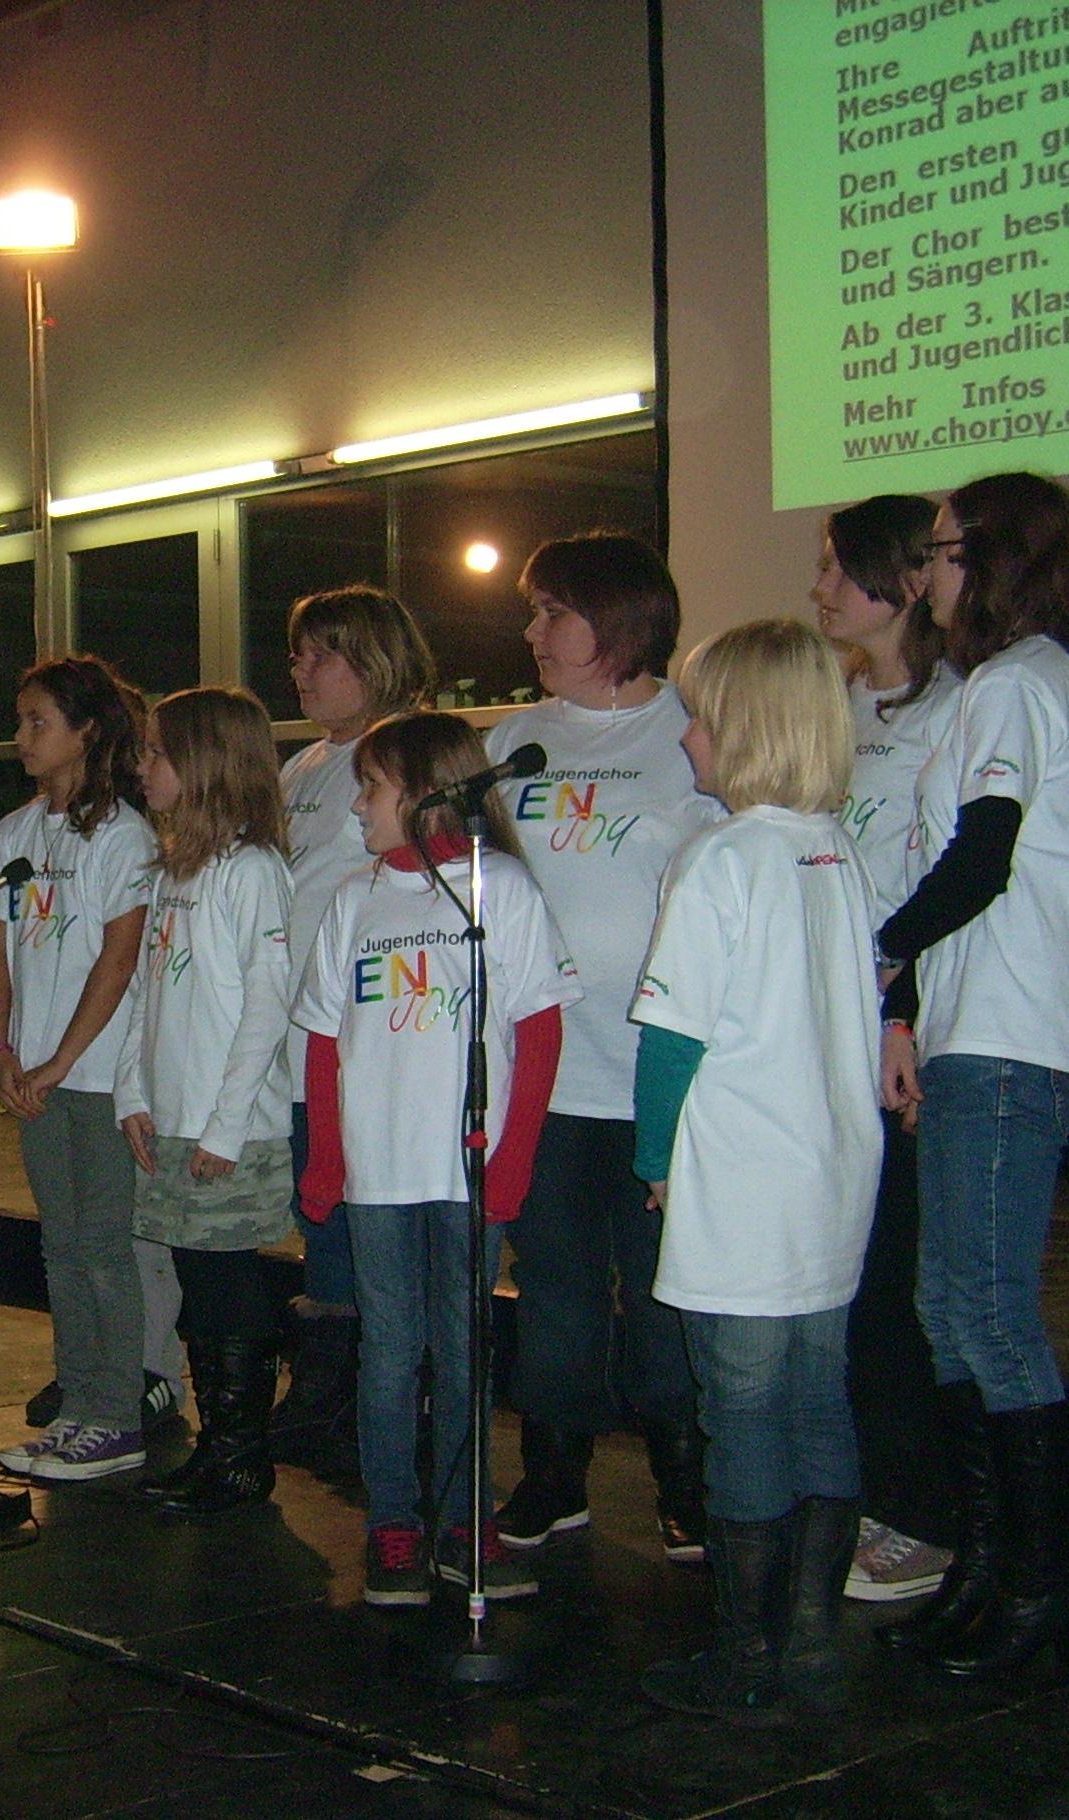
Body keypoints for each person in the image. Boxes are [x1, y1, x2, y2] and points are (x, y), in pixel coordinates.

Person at [633, 619, 881, 1720]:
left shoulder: (722, 858)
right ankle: (812, 1636)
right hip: (830, 1178)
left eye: (699, 717)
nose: (685, 735)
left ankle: (745, 1652)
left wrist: (654, 1160)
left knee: (737, 1408)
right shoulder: (836, 850)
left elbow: (670, 1040)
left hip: (738, 1181)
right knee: (817, 1396)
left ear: (746, 730)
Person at [296, 714, 576, 1606]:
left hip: (468, 1172)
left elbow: (538, 1032)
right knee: (389, 1350)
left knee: (464, 1352)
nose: (357, 805)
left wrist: (513, 1162)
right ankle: (393, 1522)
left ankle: (464, 1521)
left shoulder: (503, 891)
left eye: (372, 788)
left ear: (425, 793)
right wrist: (327, 1162)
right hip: (380, 1169)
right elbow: (323, 1041)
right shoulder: (355, 899)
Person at [485, 533, 722, 1562]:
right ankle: (554, 1474)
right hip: (546, 1076)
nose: (532, 631)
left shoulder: (692, 729)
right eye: (533, 611)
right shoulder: (514, 740)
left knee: (667, 1287)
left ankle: (685, 1477)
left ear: (618, 617)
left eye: (552, 611)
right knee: (554, 1286)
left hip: (660, 1076)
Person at [872, 471, 1069, 1680]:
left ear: (995, 559)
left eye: (942, 551)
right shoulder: (1005, 683)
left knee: (984, 1310)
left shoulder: (1015, 681)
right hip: (972, 1026)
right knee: (949, 1307)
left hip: (1004, 1032)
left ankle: (1034, 1583)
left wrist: (878, 948)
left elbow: (982, 853)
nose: (924, 573)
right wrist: (902, 1002)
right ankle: (984, 1566)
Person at [812, 495, 964, 1604]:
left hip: (910, 1026)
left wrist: (896, 1004)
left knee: (903, 1287)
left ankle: (926, 1517)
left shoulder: (963, 705)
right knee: (849, 1281)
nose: (819, 588)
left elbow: (952, 876)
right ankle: (875, 1494)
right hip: (827, 1020)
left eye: (837, 568)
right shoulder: (837, 702)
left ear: (904, 580)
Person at [115, 686, 294, 1515]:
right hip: (174, 1118)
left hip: (229, 1129)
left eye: (157, 752)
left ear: (206, 763)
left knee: (225, 1283)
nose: (142, 766)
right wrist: (132, 1090)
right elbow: (147, 994)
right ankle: (219, 1447)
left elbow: (267, 1004)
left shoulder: (251, 870)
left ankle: (240, 1455)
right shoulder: (173, 870)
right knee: (197, 1280)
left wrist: (226, 1126)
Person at [273, 587, 438, 1467]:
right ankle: (332, 1394)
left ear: (373, 660)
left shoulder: (405, 756)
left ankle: (371, 1407)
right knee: (323, 1213)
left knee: (370, 1228)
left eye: (320, 655)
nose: (300, 672)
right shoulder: (303, 766)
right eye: (297, 655)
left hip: (374, 1043)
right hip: (304, 1041)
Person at [0, 656, 159, 1484]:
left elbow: (119, 960)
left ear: (86, 731)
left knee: (102, 1250)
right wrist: (0, 1050)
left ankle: (116, 1416)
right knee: (60, 1248)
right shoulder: (15, 832)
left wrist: (60, 1059)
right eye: (21, 720)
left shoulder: (123, 834)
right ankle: (78, 1407)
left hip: (94, 1077)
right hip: (34, 1079)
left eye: (39, 721)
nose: (22, 737)